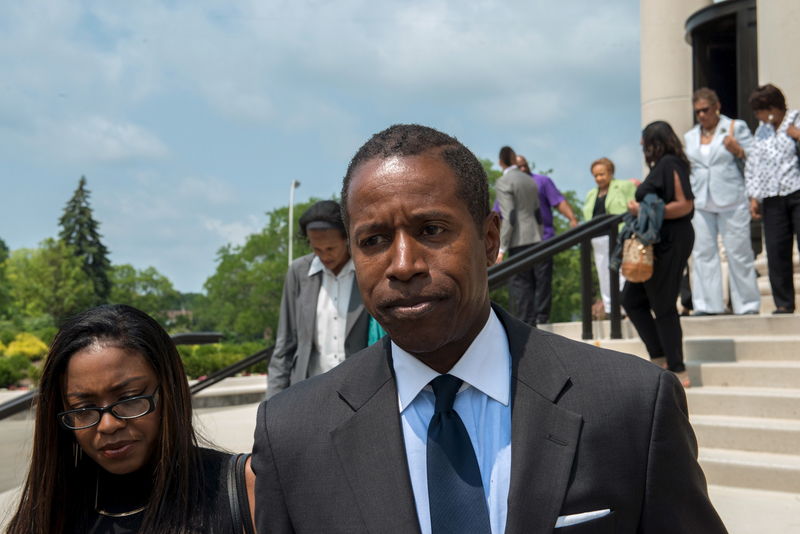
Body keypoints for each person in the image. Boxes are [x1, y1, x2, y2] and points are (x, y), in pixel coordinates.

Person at [251, 124, 725, 533]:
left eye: (432, 230)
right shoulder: (292, 435)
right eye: (373, 240)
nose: (403, 265)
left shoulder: (632, 405)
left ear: (491, 239)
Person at [6, 304, 255, 534]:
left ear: (170, 390)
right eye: (83, 409)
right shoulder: (46, 515)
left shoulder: (242, 489)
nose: (108, 425)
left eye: (129, 399)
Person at [266, 200, 370, 398]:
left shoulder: (367, 270)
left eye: (330, 248)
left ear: (347, 239)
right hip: (309, 393)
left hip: (361, 392)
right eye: (316, 249)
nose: (324, 256)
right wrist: (272, 403)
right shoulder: (298, 272)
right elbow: (285, 344)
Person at [622, 121, 695, 387]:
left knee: (663, 304)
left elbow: (684, 204)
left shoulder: (669, 163)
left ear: (655, 141)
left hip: (670, 240)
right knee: (631, 299)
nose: (642, 146)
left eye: (645, 141)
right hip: (658, 240)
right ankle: (659, 357)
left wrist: (643, 210)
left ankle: (677, 368)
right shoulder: (663, 165)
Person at [684, 87, 760, 316]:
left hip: (732, 198)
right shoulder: (690, 136)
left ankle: (747, 305)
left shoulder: (736, 127)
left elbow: (757, 158)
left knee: (739, 253)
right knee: (703, 253)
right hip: (701, 201)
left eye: (705, 110)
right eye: (697, 112)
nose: (701, 116)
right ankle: (707, 305)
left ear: (717, 107)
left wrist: (738, 150)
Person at [745, 83, 800, 314]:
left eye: (760, 110)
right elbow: (754, 164)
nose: (758, 115)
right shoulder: (762, 131)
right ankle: (784, 303)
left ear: (773, 106)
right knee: (776, 250)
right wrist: (753, 197)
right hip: (772, 197)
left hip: (797, 192)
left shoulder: (796, 120)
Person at [515, 154, 578, 323]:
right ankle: (525, 321)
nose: (522, 168)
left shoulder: (542, 181)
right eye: (518, 167)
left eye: (524, 165)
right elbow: (499, 214)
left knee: (543, 282)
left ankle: (541, 318)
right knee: (522, 285)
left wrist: (572, 219)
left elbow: (559, 202)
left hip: (542, 240)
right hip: (518, 242)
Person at [494, 146, 542, 326]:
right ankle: (534, 321)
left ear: (500, 162)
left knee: (519, 285)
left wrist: (502, 247)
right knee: (533, 282)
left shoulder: (503, 182)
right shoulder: (530, 181)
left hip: (517, 240)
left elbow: (510, 216)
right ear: (514, 160)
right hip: (535, 237)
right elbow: (538, 213)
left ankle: (524, 326)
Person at [583, 157, 636, 317]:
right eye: (595, 175)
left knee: (620, 271)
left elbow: (632, 209)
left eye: (602, 174)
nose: (599, 178)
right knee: (603, 273)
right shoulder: (591, 193)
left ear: (611, 172)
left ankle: (623, 306)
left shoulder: (624, 186)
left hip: (618, 235)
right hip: (597, 237)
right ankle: (609, 308)